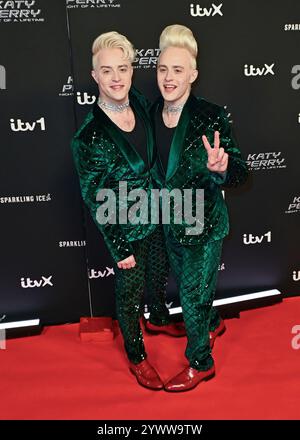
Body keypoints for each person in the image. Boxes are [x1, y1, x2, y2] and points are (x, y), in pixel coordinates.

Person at [71, 31, 185, 391]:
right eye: (107, 71)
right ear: (95, 76)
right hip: (126, 230)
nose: (116, 78)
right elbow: (95, 199)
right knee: (130, 291)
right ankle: (136, 355)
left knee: (159, 274)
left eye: (123, 68)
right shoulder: (88, 138)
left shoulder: (137, 99)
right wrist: (119, 248)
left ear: (132, 72)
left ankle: (160, 317)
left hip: (158, 214)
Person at [152, 24, 248, 392]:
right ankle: (210, 321)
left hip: (204, 225)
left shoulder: (210, 116)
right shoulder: (149, 114)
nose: (169, 77)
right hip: (169, 222)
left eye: (178, 70)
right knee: (190, 291)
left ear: (193, 73)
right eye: (163, 69)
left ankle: (201, 361)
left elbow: (239, 173)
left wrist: (223, 168)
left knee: (191, 293)